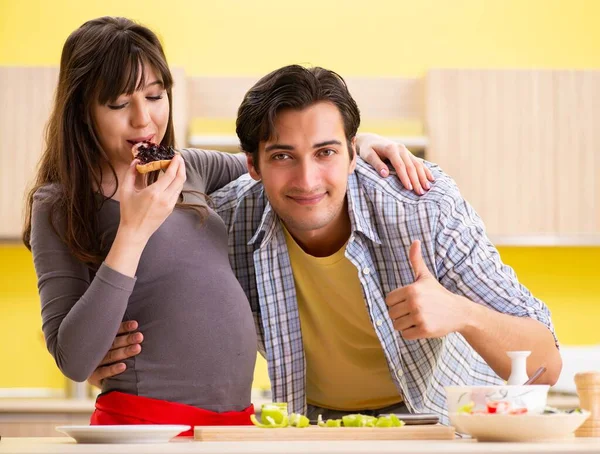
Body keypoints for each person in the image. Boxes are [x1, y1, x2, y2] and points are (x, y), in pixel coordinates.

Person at [24, 17, 430, 431]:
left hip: (234, 423)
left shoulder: (188, 167)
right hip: (145, 425)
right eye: (118, 103)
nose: (144, 119)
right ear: (82, 109)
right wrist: (133, 231)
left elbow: (279, 159)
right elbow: (74, 360)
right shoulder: (59, 205)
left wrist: (356, 142)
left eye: (155, 95)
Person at [97, 64, 562, 425]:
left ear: (353, 150)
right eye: (283, 156)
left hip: (445, 426)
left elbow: (547, 363)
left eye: (326, 152)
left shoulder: (423, 206)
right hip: (315, 426)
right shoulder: (223, 222)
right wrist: (100, 360)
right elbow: (115, 298)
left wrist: (462, 312)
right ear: (252, 166)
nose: (307, 180)